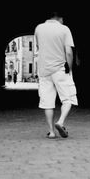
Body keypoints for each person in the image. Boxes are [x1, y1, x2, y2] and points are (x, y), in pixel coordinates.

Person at [34, 10, 78, 139]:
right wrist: (69, 68)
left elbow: (39, 48)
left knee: (47, 102)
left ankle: (51, 132)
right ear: (60, 18)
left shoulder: (39, 28)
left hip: (44, 70)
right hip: (60, 69)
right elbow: (69, 52)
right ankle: (61, 122)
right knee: (68, 98)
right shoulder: (64, 29)